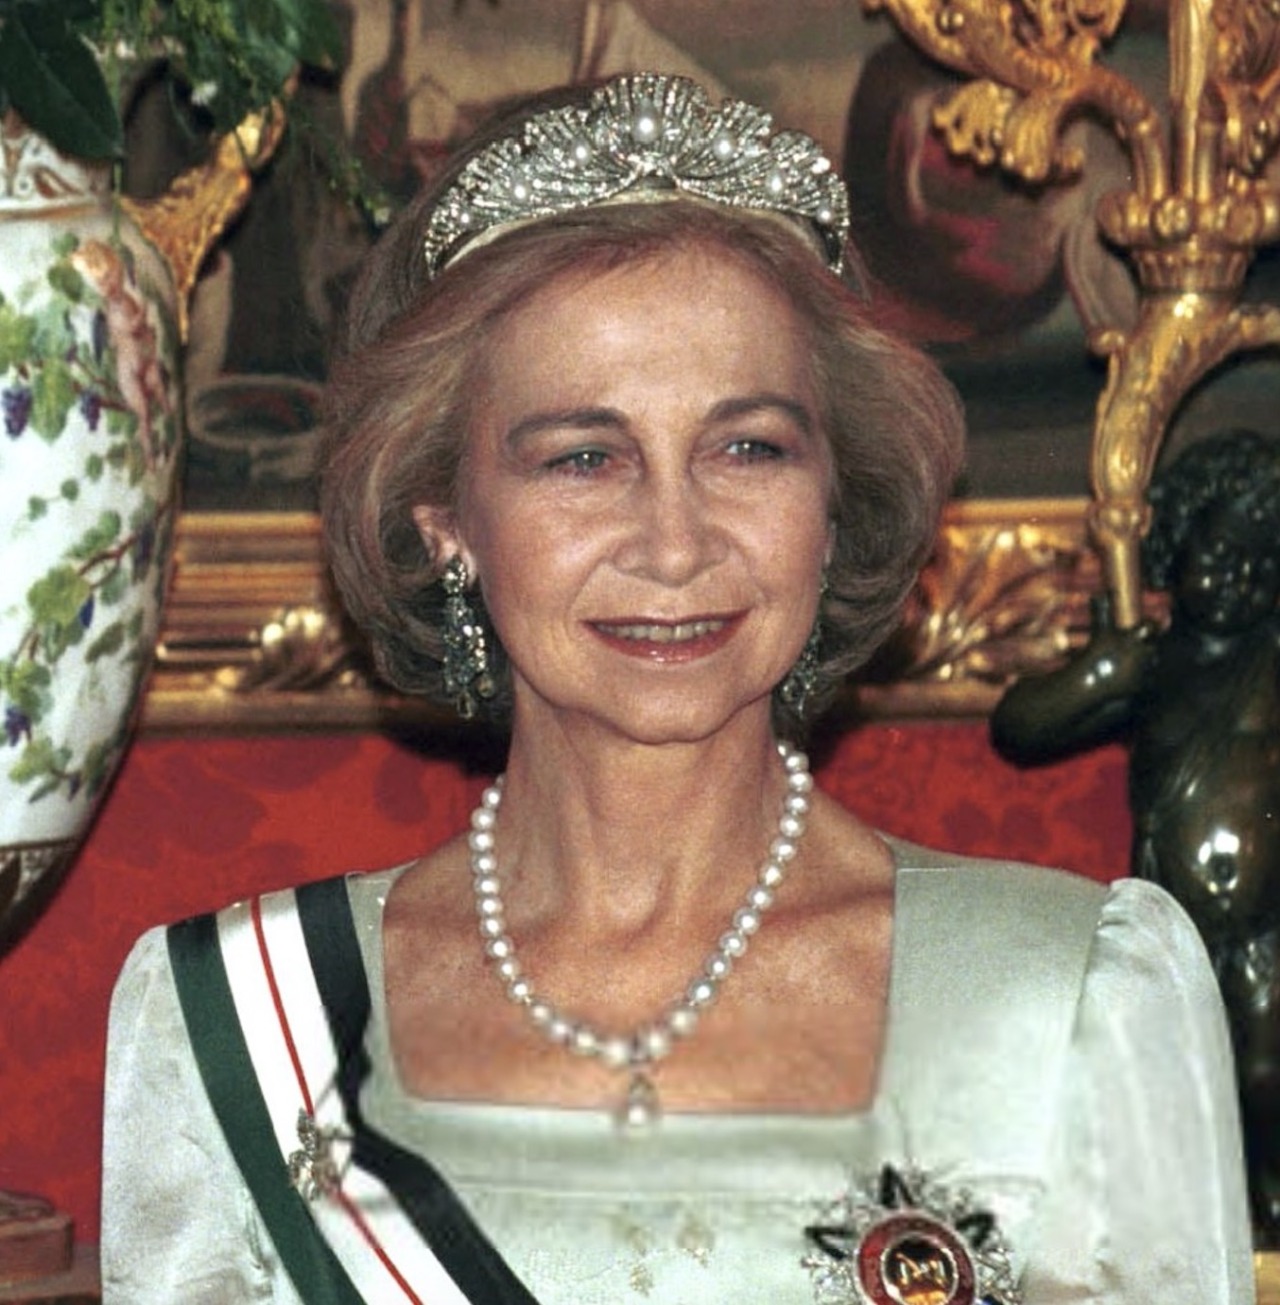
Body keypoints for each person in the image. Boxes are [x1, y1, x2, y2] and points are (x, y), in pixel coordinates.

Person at [102, 74, 1254, 1302]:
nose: (672, 543)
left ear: (831, 504)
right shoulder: (237, 1025)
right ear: (445, 520)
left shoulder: (1067, 996)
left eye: (746, 448)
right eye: (581, 458)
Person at [993, 427, 1280, 1248]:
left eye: (1261, 562)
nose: (1237, 577)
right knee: (1168, 1087)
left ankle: (1271, 1213)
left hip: (1267, 927)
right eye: (1219, 553)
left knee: (1266, 1072)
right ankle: (1197, 1231)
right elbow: (1020, 729)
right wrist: (1098, 673)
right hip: (1169, 928)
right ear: (1175, 546)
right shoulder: (1150, 664)